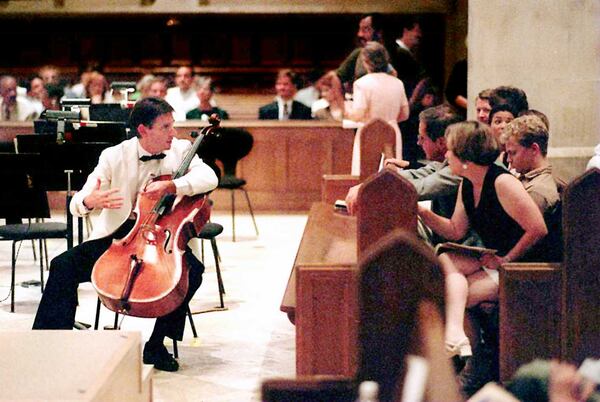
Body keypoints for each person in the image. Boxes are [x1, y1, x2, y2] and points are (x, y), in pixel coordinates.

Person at [32, 97, 219, 373]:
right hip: (119, 236)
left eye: (173, 126)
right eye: (166, 127)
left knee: (192, 273)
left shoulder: (181, 150)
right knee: (62, 266)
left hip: (160, 236)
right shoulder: (113, 155)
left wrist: (173, 185)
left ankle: (157, 344)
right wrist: (89, 201)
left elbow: (210, 178)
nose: (173, 133)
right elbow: (79, 201)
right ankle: (49, 344)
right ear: (143, 130)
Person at [417, 121, 547, 359]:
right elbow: (456, 230)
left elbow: (538, 229)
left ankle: (473, 362)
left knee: (453, 296)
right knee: (446, 258)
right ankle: (457, 336)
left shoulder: (502, 182)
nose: (446, 155)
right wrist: (423, 212)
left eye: (450, 150)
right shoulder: (467, 183)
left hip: (524, 265)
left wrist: (506, 259)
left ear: (465, 156)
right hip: (494, 257)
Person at [345, 104, 464, 246]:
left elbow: (418, 188)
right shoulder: (445, 162)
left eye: (422, 138)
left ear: (440, 142)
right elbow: (417, 174)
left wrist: (367, 189)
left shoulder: (459, 168)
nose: (418, 143)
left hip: (459, 246)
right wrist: (367, 185)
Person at [345, 41, 409, 174]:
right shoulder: (397, 83)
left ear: (366, 61)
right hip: (392, 131)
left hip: (369, 132)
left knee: (365, 174)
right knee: (392, 175)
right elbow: (405, 114)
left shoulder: (362, 84)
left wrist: (346, 111)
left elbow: (358, 114)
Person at [389, 17, 426, 100]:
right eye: (417, 31)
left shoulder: (409, 53)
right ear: (406, 31)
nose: (419, 35)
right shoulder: (397, 52)